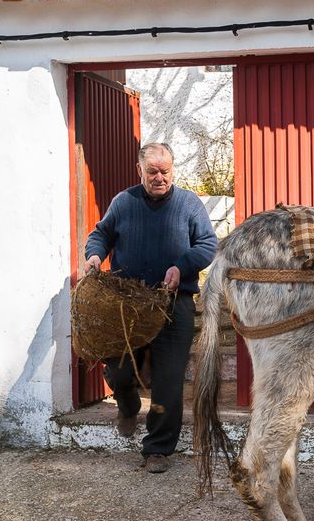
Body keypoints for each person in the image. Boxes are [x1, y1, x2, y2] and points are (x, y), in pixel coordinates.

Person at [85, 142, 217, 474]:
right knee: (118, 370)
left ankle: (157, 449)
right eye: (153, 171)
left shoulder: (189, 204)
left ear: (173, 169)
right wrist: (95, 255)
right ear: (139, 170)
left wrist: (181, 266)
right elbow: (101, 234)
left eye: (166, 171)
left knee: (168, 381)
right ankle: (127, 403)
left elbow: (207, 244)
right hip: (128, 304)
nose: (160, 178)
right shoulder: (123, 202)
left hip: (175, 305)